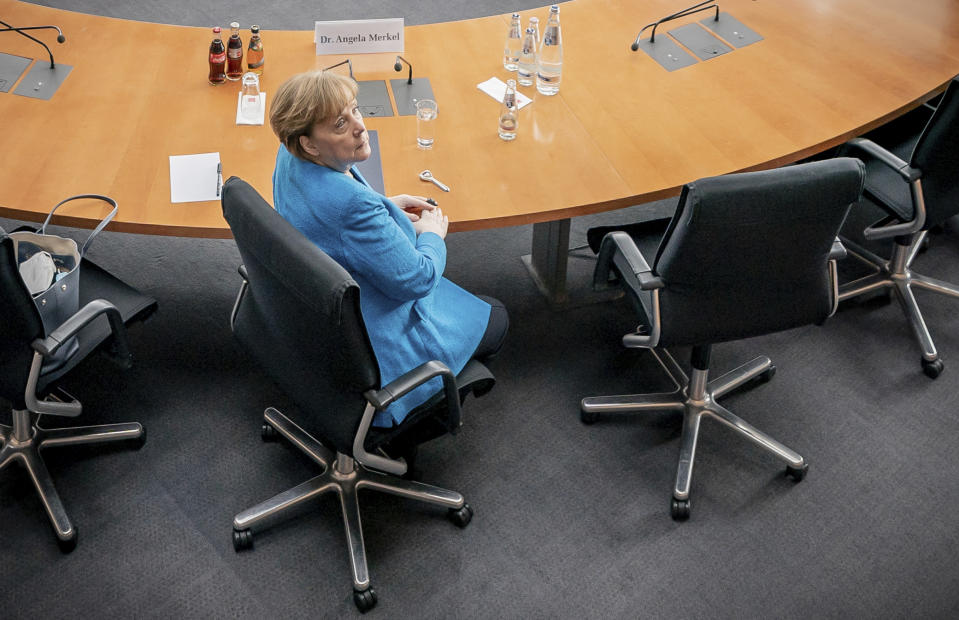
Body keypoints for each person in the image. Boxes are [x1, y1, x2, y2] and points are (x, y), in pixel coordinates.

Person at [269, 69, 508, 434]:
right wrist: (431, 235)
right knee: (497, 315)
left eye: (355, 111)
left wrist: (387, 208)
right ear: (310, 144)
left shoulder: (290, 157)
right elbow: (417, 279)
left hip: (314, 324)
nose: (359, 127)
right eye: (339, 124)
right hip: (376, 342)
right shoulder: (351, 207)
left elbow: (332, 206)